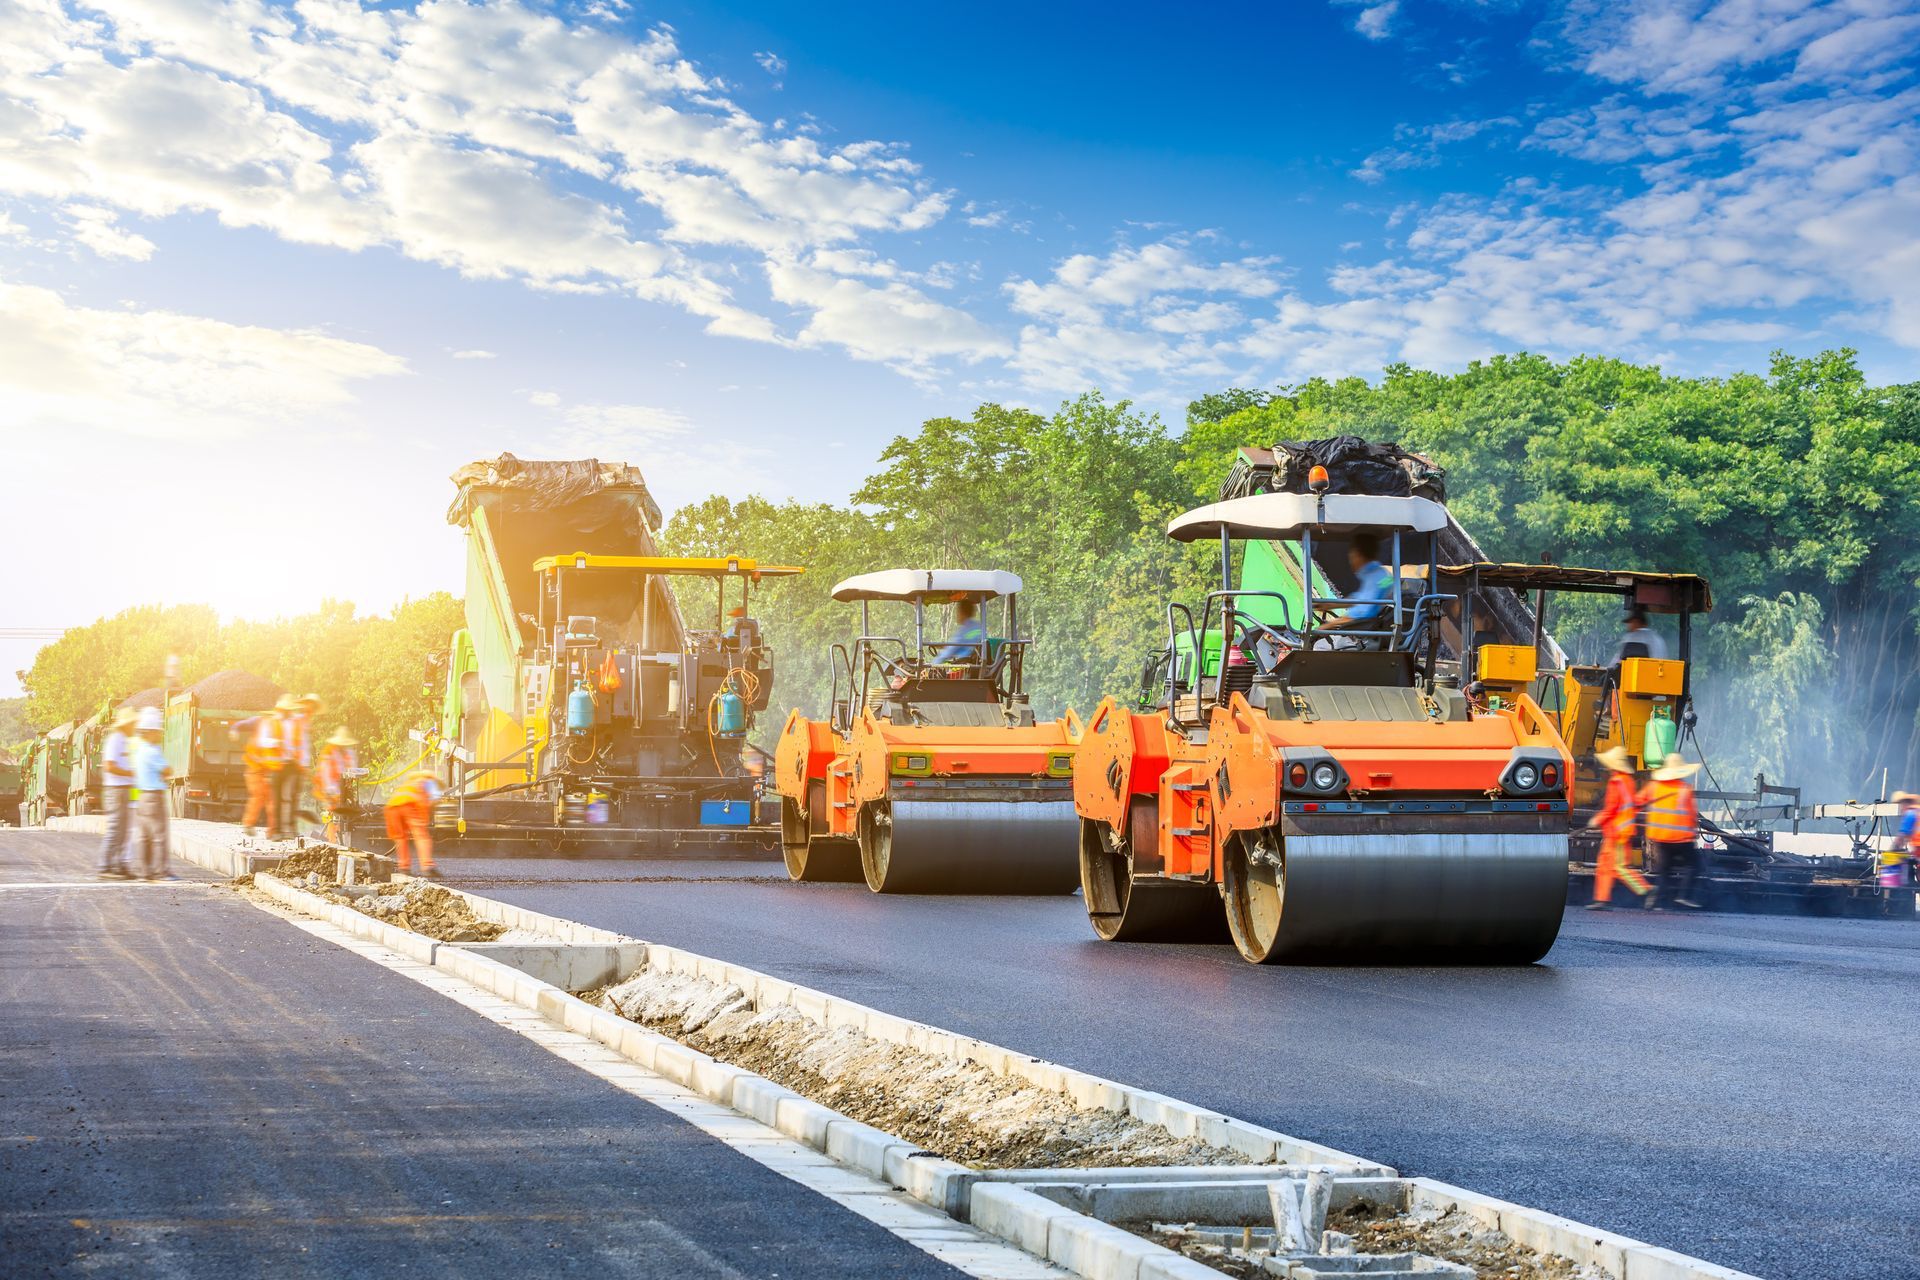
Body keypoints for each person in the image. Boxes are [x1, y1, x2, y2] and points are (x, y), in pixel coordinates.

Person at [1586, 745, 1651, 909]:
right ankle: (1602, 899)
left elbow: (1611, 808)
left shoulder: (1616, 782)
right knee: (1605, 866)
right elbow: (1632, 804)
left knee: (1619, 867)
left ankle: (1646, 890)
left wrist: (1596, 820)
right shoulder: (1627, 781)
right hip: (1619, 831)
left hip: (1618, 832)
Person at [1639, 752, 1703, 910]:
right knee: (1694, 865)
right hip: (1682, 838)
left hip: (1660, 837)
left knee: (1664, 870)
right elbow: (1692, 814)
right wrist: (1694, 832)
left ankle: (1658, 902)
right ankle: (1683, 895)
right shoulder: (1684, 790)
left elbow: (1637, 801)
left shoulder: (1653, 787)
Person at [1315, 534, 1395, 642]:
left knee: (1319, 646)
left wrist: (1329, 625)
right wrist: (1329, 605)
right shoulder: (1380, 574)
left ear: (1358, 554)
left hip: (1362, 638)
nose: (1350, 560)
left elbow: (1364, 613)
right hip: (1365, 632)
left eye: (1351, 555)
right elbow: (1360, 599)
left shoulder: (1377, 578)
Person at [128, 708, 174, 881]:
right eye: (158, 732)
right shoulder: (153, 751)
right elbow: (168, 770)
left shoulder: (139, 751)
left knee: (144, 836)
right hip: (154, 796)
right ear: (151, 732)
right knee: (159, 835)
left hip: (141, 797)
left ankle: (144, 871)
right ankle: (161, 871)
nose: (160, 735)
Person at [232, 700, 287, 838]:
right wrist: (234, 730)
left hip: (270, 770)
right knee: (258, 796)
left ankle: (273, 832)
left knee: (272, 800)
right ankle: (248, 824)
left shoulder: (283, 728)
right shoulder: (260, 721)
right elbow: (241, 725)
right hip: (255, 768)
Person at [94, 707, 138, 879]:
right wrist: (131, 773)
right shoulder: (115, 740)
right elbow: (109, 766)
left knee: (126, 830)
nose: (135, 725)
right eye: (133, 723)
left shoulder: (128, 740)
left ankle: (120, 865)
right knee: (115, 829)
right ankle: (105, 866)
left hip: (128, 789)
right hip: (117, 790)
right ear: (127, 724)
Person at [276, 692, 323, 838]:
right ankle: (285, 829)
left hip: (299, 766)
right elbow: (290, 743)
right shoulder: (295, 721)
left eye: (312, 707)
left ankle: (290, 828)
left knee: (294, 797)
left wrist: (305, 766)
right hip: (288, 764)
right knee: (288, 796)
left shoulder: (305, 722)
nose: (310, 709)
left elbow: (304, 746)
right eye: (308, 706)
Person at [385, 770, 444, 878]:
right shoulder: (429, 781)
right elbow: (432, 800)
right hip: (410, 805)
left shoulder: (408, 783)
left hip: (392, 808)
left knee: (400, 838)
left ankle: (404, 868)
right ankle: (427, 867)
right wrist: (427, 816)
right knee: (422, 836)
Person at [933, 599, 987, 664]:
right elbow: (963, 644)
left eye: (958, 612)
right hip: (976, 663)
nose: (957, 615)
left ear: (962, 613)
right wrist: (944, 646)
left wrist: (934, 663)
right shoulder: (978, 627)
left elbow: (951, 650)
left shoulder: (964, 630)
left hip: (965, 665)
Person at [1884, 793, 1919, 888]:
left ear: (1905, 804)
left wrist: (1890, 854)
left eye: (1900, 805)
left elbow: (1901, 838)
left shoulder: (1910, 814)